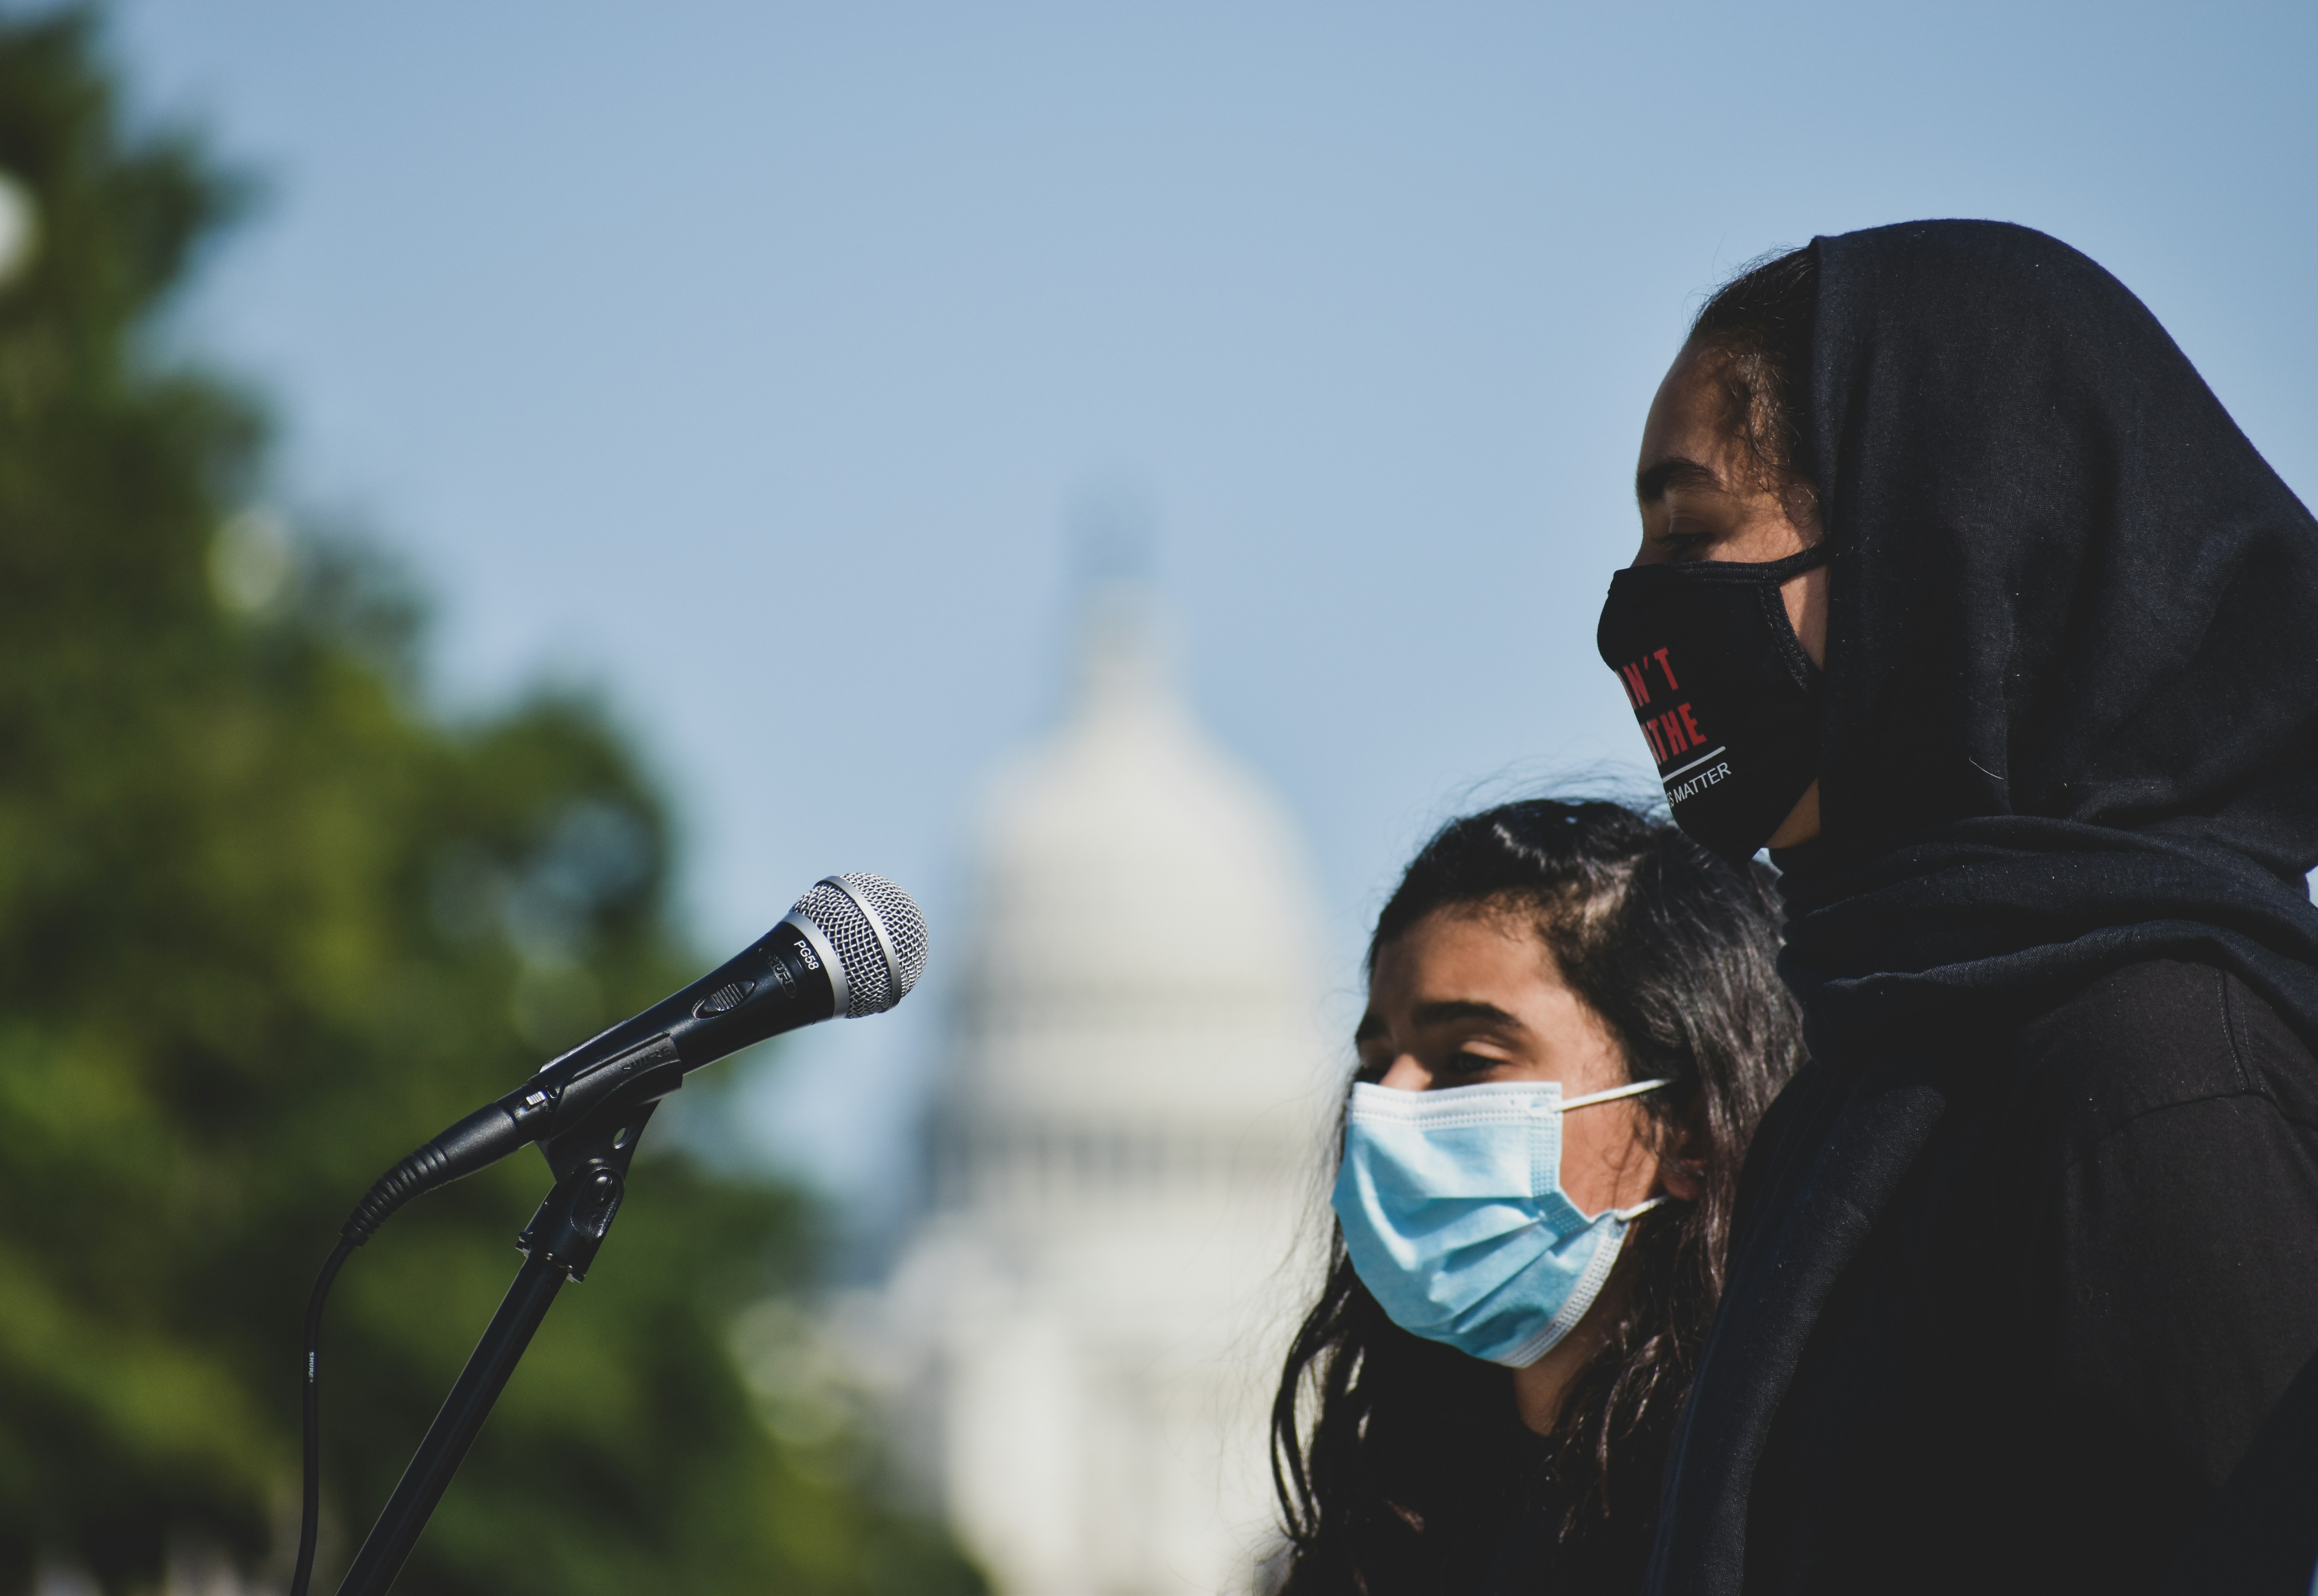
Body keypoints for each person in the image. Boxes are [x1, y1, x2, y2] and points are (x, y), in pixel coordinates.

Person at [1594, 221, 2318, 1595]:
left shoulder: (2159, 1085)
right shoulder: (1885, 1058)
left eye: (1691, 535)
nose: (1637, 616)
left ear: (1934, 548)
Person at [1269, 798, 1804, 1594]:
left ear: (1686, 1129)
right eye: (1376, 1064)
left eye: (1468, 1059)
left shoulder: (1800, 1515)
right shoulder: (1396, 1528)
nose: (1384, 1107)